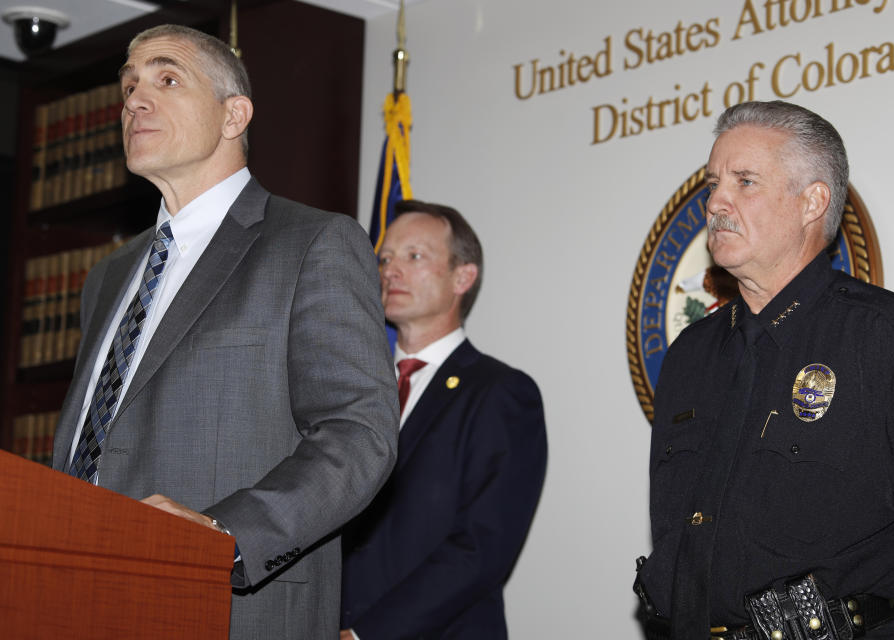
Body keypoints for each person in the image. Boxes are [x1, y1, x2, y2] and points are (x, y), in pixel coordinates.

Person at [49, 24, 399, 639]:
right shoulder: (107, 277)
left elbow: (358, 434)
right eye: (128, 85)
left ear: (233, 114)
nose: (133, 99)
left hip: (228, 612)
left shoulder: (313, 243)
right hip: (76, 598)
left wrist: (222, 537)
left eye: (166, 79)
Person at [636, 100, 894, 639]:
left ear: (812, 202)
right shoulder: (690, 355)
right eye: (714, 182)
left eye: (745, 181)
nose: (716, 200)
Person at [339, 200, 548, 639]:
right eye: (385, 258)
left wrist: (365, 634)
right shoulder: (351, 390)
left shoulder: (501, 393)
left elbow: (482, 548)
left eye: (414, 256)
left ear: (463, 277)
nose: (390, 271)